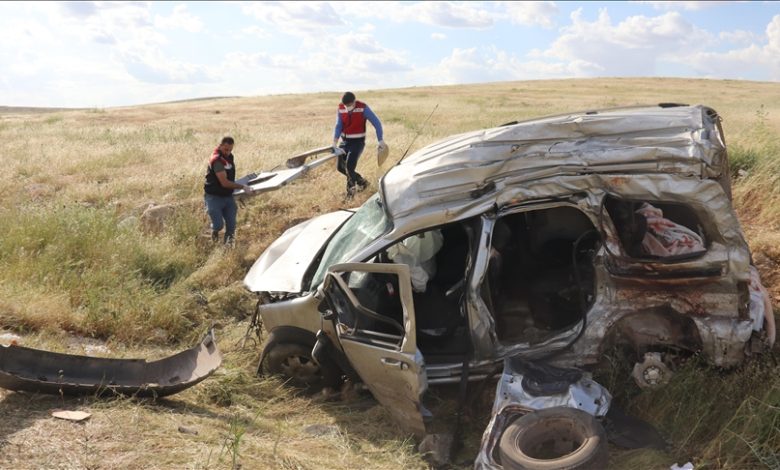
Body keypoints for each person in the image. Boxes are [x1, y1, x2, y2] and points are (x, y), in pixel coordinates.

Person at [332, 91, 386, 198]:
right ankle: (363, 182)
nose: (347, 107)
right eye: (345, 105)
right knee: (340, 167)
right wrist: (334, 143)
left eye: (349, 105)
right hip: (344, 143)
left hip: (357, 143)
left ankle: (350, 195)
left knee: (349, 167)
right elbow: (338, 126)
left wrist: (380, 140)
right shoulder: (341, 109)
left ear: (354, 102)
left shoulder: (363, 108)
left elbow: (377, 123)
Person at [203, 136, 252, 244]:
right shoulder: (217, 161)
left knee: (231, 226)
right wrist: (243, 187)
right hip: (214, 197)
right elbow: (224, 183)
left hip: (228, 196)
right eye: (226, 149)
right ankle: (214, 230)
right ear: (219, 146)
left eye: (230, 150)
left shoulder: (229, 157)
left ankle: (228, 249)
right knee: (219, 225)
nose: (228, 152)